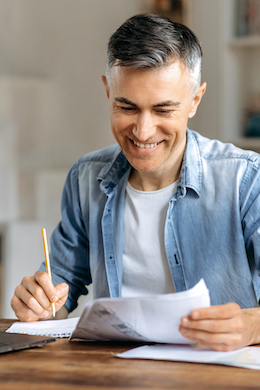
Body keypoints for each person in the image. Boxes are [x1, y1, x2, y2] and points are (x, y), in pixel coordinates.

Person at [11, 13, 260, 352]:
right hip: (114, 371)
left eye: (163, 110)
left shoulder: (246, 180)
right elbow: (59, 293)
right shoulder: (85, 178)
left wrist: (251, 326)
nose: (143, 132)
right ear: (107, 91)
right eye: (127, 107)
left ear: (195, 101)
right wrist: (39, 305)